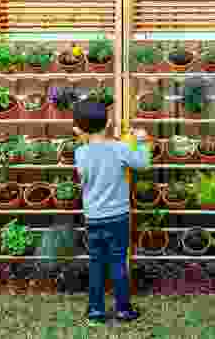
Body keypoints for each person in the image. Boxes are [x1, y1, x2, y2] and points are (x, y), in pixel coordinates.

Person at [72, 99, 151, 325]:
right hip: (118, 217)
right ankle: (123, 310)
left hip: (93, 217)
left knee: (96, 263)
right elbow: (142, 163)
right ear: (108, 124)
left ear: (77, 129)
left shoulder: (80, 154)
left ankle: (96, 311)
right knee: (118, 262)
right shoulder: (120, 148)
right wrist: (142, 142)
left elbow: (86, 173)